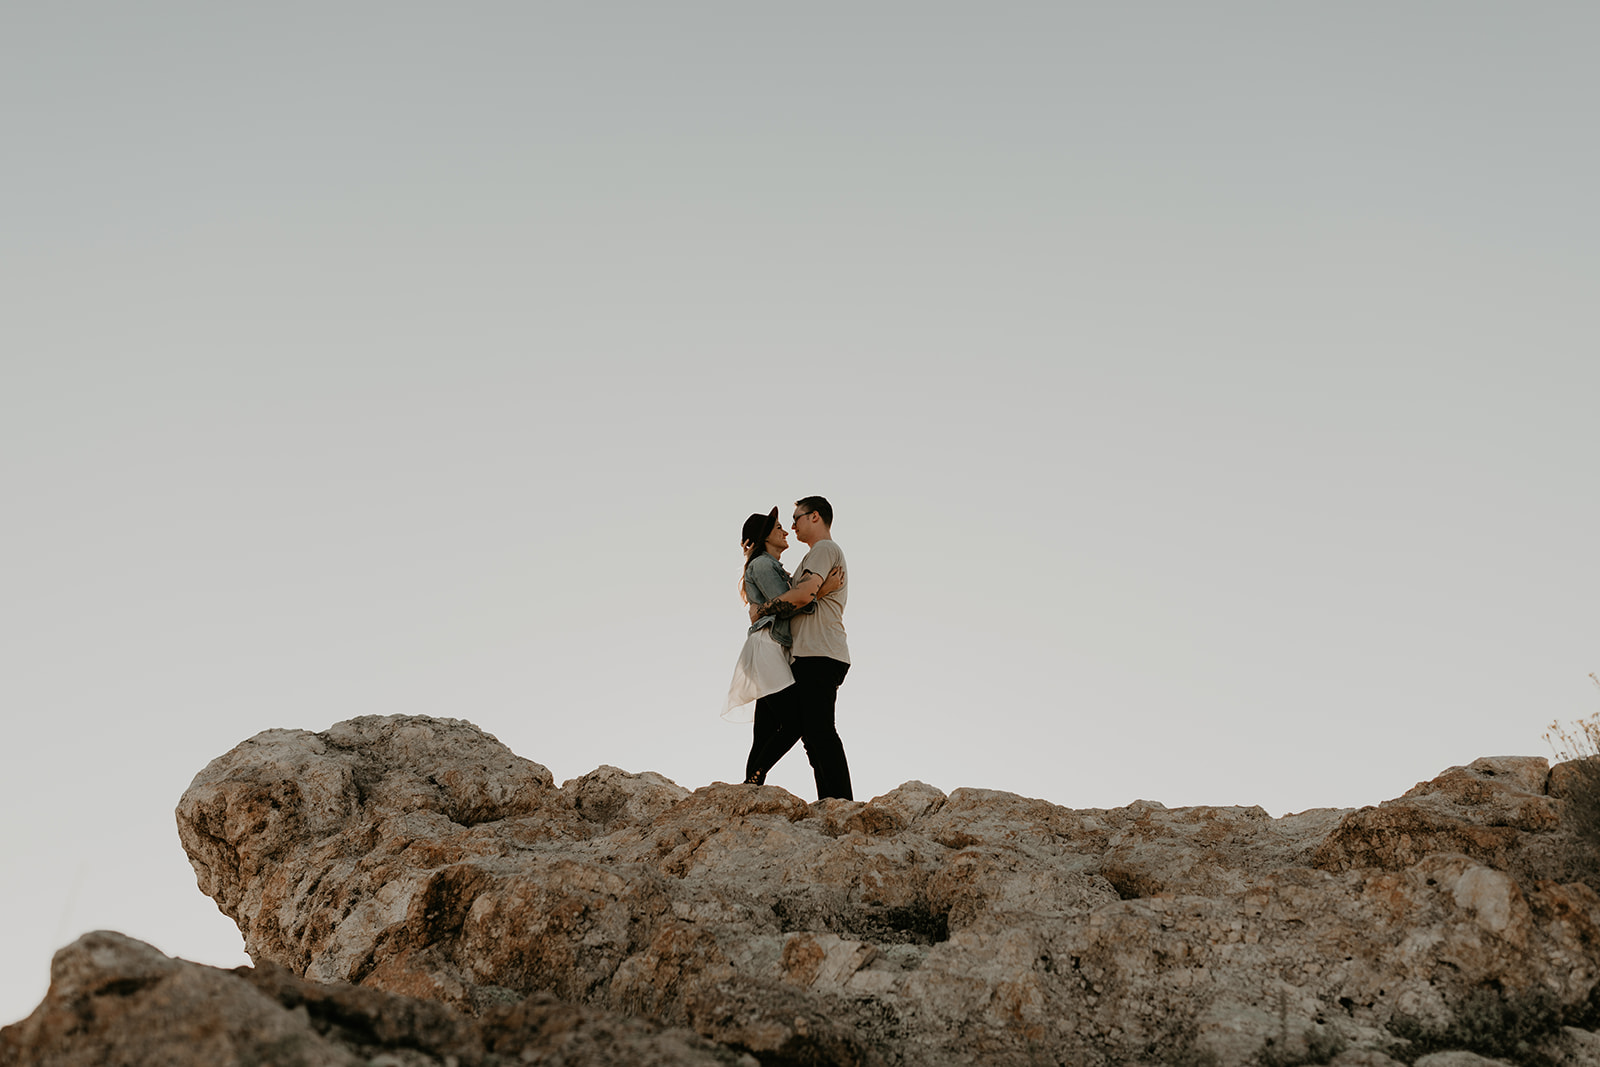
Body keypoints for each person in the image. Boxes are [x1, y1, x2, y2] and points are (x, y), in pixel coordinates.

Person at [746, 496, 853, 800]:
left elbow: (804, 595)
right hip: (807, 653)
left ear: (815, 517)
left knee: (819, 732)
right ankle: (829, 801)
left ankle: (841, 801)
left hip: (819, 652)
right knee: (812, 734)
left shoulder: (824, 549)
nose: (792, 526)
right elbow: (799, 594)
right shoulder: (808, 557)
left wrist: (763, 608)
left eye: (797, 518)